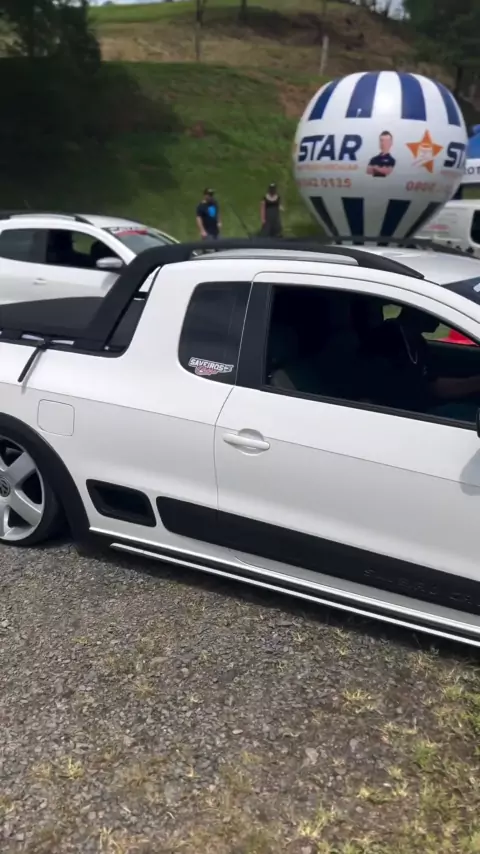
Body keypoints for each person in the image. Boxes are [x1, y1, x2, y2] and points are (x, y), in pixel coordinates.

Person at [361, 305, 480, 421]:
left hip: (418, 412)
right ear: (419, 311)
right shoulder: (387, 338)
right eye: (435, 311)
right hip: (403, 416)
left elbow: (433, 384)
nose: (439, 319)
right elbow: (435, 388)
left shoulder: (416, 340)